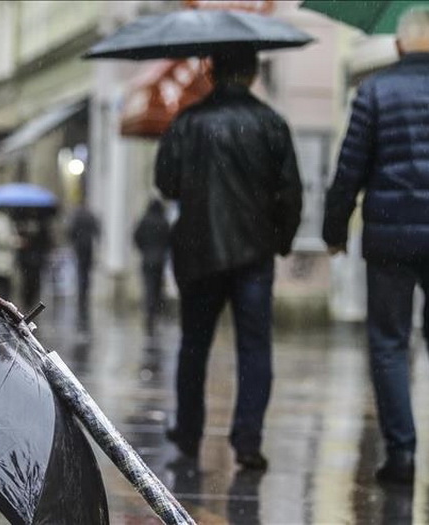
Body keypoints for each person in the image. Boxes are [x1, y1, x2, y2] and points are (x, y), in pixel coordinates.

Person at [155, 45, 302, 470]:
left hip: (198, 251)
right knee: (255, 347)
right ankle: (249, 439)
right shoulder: (271, 123)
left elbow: (165, 182)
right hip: (255, 254)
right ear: (254, 74)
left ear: (212, 73)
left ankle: (188, 433)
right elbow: (290, 192)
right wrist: (282, 239)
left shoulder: (188, 122)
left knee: (194, 346)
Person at [323, 6, 429, 485]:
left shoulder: (375, 91)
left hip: (391, 237)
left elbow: (349, 169)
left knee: (390, 344)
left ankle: (402, 454)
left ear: (398, 44)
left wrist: (334, 231)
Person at [133, 198, 170, 339]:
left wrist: (144, 250)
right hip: (159, 261)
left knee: (149, 287)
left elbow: (136, 237)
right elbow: (169, 240)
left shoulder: (144, 221)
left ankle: (150, 314)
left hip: (147, 260)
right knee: (156, 288)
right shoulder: (163, 221)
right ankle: (154, 313)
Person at [67, 203, 100, 330]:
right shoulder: (90, 216)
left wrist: (74, 239)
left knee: (81, 270)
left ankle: (82, 294)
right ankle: (84, 293)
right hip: (88, 246)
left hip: (80, 246)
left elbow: (71, 232)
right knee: (86, 271)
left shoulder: (77, 217)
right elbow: (97, 230)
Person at [16, 216, 52, 309]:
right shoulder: (22, 225)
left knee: (33, 282)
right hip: (27, 260)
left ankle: (30, 302)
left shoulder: (42, 227)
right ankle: (27, 302)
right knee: (27, 282)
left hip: (35, 260)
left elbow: (46, 242)